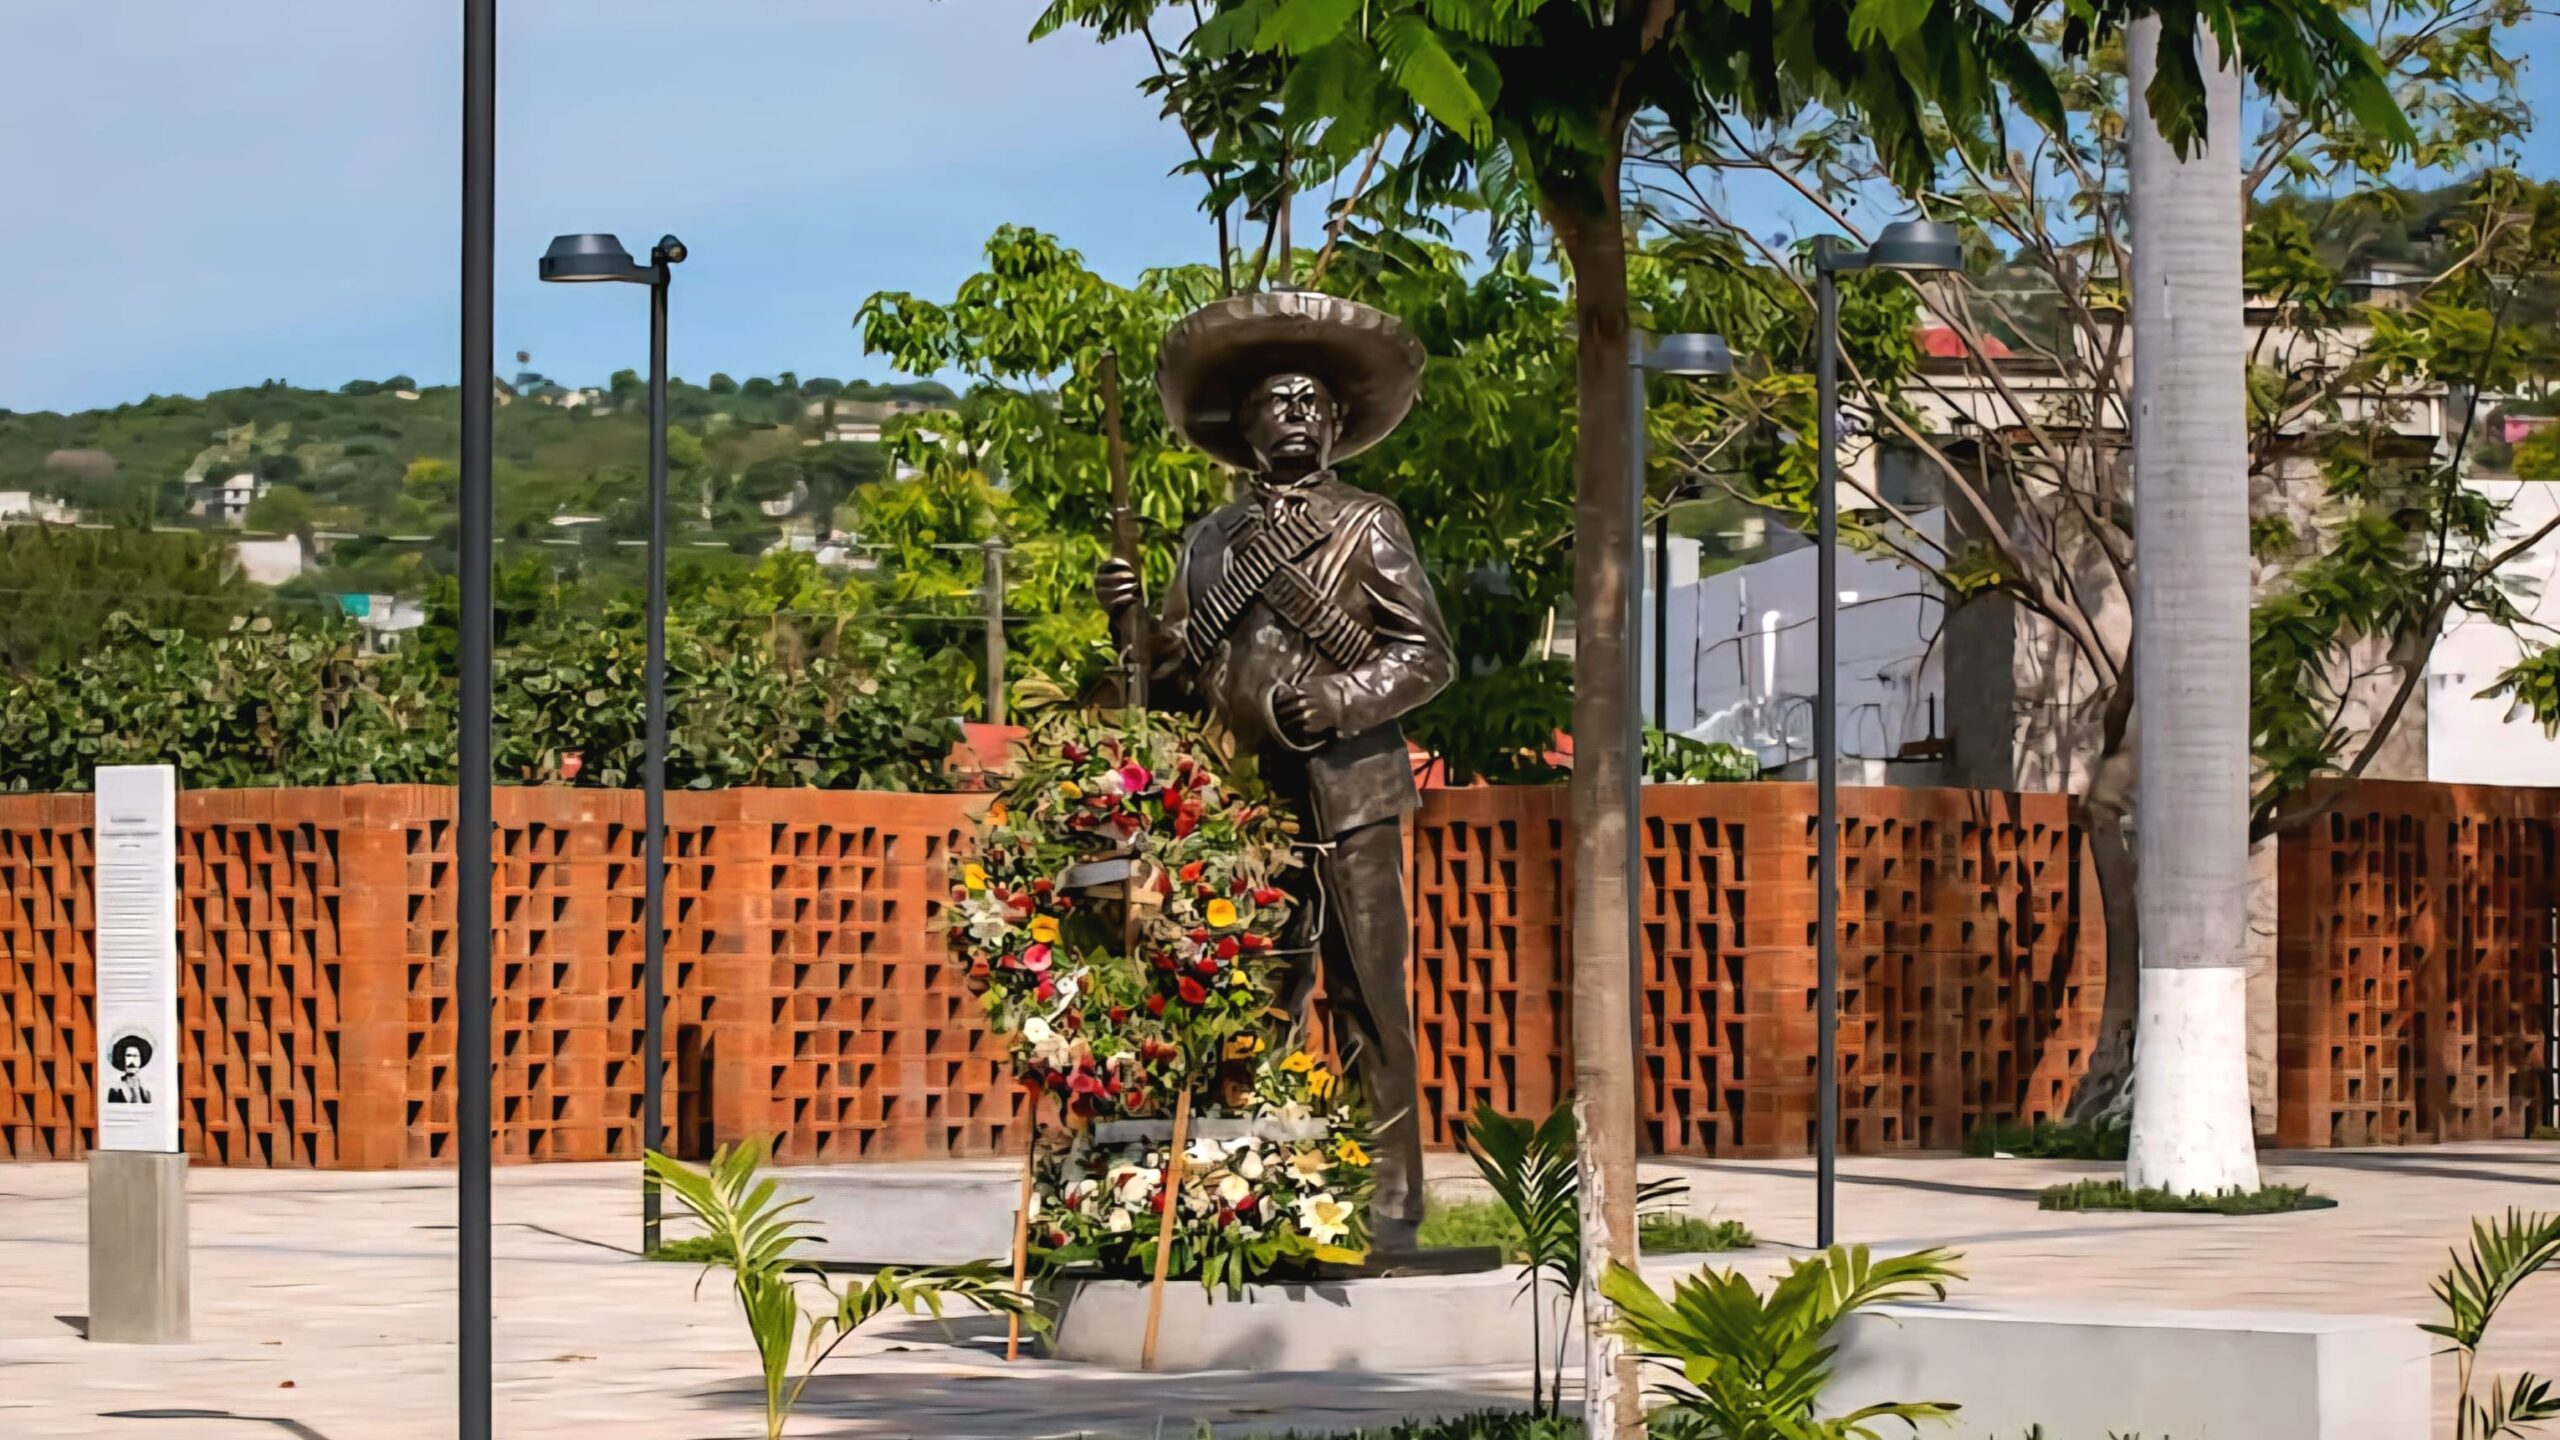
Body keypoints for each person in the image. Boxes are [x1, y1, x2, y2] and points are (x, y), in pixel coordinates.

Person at [1099, 289, 1453, 1254]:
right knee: (1253, 996)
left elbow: (1425, 656)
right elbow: (1172, 677)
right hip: (1243, 803)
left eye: (1311, 401)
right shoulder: (1210, 541)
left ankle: (1389, 1203)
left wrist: (1341, 699)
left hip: (1349, 789)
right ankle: (1250, 1189)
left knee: (1368, 994)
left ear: (1336, 422)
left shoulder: (1367, 524)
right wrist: (1132, 624)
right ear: (1243, 426)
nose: (1294, 414)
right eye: (1274, 401)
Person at [107, 1034, 153, 1106]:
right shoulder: (115, 1091)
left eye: (135, 1056)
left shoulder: (146, 1094)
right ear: (122, 1058)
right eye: (128, 1056)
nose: (132, 1061)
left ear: (141, 1059)